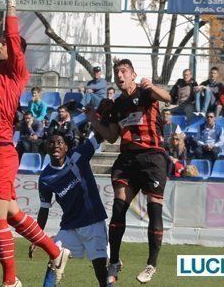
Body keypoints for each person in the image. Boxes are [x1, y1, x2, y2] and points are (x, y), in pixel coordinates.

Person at [0, 0, 69, 287]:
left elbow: (13, 38)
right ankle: (55, 251)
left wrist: (12, 0)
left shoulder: (16, 71)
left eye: (3, 44)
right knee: (11, 214)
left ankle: (10, 281)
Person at [86, 59, 171, 284]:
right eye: (116, 72)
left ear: (133, 74)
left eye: (124, 71)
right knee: (118, 206)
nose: (120, 75)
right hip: (127, 159)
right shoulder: (117, 106)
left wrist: (151, 86)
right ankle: (114, 261)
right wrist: (92, 119)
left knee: (154, 209)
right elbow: (112, 136)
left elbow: (168, 97)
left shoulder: (145, 93)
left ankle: (151, 263)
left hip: (152, 157)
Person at [33, 132, 108, 286]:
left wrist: (102, 115)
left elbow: (99, 136)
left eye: (59, 142)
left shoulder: (78, 155)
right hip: (69, 226)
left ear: (66, 147)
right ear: (46, 147)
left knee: (100, 270)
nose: (55, 145)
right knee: (54, 260)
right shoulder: (45, 178)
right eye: (51, 142)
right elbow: (44, 209)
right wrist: (36, 236)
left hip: (93, 222)